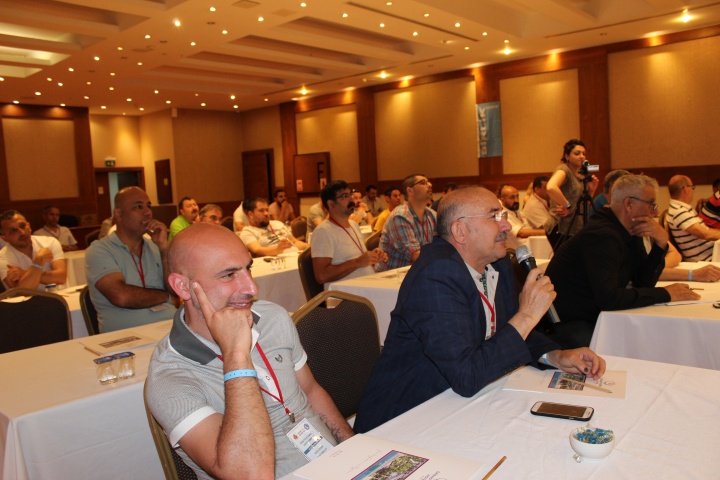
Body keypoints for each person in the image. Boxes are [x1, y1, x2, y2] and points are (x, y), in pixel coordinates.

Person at [353, 186, 606, 432]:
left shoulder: (497, 265)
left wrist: (554, 355)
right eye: (494, 216)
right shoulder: (436, 275)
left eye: (503, 215)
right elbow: (467, 375)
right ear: (460, 230)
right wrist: (528, 315)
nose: (506, 226)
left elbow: (510, 330)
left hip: (460, 403)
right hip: (407, 417)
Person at [145, 223, 354, 479]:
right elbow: (251, 474)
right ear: (182, 286)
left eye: (248, 269)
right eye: (228, 275)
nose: (252, 289)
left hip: (335, 466)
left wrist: (353, 449)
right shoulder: (170, 378)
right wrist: (236, 355)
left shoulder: (272, 317)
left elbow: (310, 391)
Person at [544, 175, 700, 348]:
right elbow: (609, 299)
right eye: (651, 204)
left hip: (592, 315)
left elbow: (642, 282)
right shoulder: (602, 235)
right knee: (647, 342)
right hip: (567, 325)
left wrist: (660, 243)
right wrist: (665, 293)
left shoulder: (628, 230)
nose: (654, 212)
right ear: (629, 204)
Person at [85, 187, 177, 332]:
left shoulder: (155, 247)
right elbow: (122, 296)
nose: (147, 212)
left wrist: (164, 250)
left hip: (169, 329)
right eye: (138, 207)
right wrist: (166, 297)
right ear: (118, 214)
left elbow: (175, 292)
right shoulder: (99, 250)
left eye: (148, 206)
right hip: (128, 337)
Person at [310, 180, 387, 284]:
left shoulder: (353, 225)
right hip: (345, 292)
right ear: (331, 204)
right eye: (345, 196)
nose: (351, 199)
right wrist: (358, 262)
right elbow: (322, 276)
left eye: (350, 194)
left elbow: (359, 260)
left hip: (367, 285)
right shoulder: (323, 231)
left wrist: (373, 257)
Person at [545, 139, 599, 249]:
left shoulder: (581, 173)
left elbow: (583, 205)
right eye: (577, 153)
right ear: (567, 156)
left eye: (584, 153)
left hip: (576, 226)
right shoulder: (564, 170)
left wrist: (591, 190)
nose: (581, 156)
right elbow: (551, 187)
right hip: (561, 226)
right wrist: (566, 205)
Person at [375, 174, 436, 272]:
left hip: (417, 272)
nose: (429, 185)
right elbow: (415, 256)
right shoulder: (400, 216)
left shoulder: (432, 215)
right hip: (392, 275)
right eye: (423, 183)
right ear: (410, 190)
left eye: (428, 182)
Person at [0, 210, 67, 290]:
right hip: (28, 298)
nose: (22, 232)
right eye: (13, 230)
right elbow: (21, 291)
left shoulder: (49, 242)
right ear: (4, 237)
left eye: (22, 226)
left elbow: (61, 277)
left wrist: (24, 273)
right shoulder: (2, 257)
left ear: (29, 226)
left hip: (59, 294)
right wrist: (38, 262)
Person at [667, 175, 720, 261]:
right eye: (692, 187)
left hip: (712, 253)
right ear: (685, 189)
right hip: (707, 259)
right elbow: (706, 234)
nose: (693, 191)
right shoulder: (679, 212)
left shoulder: (681, 209)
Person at [239, 197, 307, 257]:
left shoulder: (278, 224)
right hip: (275, 261)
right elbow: (257, 250)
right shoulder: (247, 232)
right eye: (261, 211)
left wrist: (307, 246)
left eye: (267, 210)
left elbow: (294, 242)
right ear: (250, 214)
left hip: (294, 255)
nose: (266, 213)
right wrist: (278, 249)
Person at [498, 184, 545, 250]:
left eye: (517, 196)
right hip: (517, 253)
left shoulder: (518, 212)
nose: (516, 200)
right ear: (502, 200)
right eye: (512, 197)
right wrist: (546, 232)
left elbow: (528, 229)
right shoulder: (503, 215)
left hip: (531, 247)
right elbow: (521, 233)